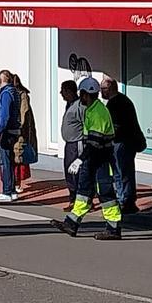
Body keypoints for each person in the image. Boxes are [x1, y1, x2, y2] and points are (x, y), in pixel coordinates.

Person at [53, 77, 122, 240]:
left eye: (82, 94)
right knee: (84, 191)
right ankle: (72, 223)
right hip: (96, 158)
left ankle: (113, 228)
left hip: (101, 158)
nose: (80, 97)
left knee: (105, 193)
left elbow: (94, 142)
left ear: (86, 94)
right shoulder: (92, 109)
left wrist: (80, 159)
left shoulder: (97, 112)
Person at [102, 77, 146, 214]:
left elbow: (116, 126)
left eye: (102, 89)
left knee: (121, 172)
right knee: (123, 172)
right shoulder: (123, 101)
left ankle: (125, 201)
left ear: (110, 89)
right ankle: (127, 199)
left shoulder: (115, 104)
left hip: (121, 142)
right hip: (127, 142)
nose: (100, 92)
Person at [0, 69, 21, 203]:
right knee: (10, 161)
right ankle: (12, 191)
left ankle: (7, 191)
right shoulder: (14, 92)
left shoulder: (6, 94)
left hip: (7, 131)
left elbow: (4, 115)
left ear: (0, 80)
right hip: (13, 130)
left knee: (6, 162)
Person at [58, 80, 84, 210]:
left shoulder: (79, 106)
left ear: (69, 91)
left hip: (77, 143)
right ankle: (73, 198)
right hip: (69, 143)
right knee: (69, 171)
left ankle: (80, 200)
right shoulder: (69, 104)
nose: (61, 93)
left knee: (76, 172)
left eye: (62, 90)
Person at [10, 74, 37, 193]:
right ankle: (15, 183)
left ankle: (17, 183)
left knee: (18, 157)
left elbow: (24, 113)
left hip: (20, 132)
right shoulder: (15, 94)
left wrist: (20, 127)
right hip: (15, 130)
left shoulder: (22, 95)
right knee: (15, 157)